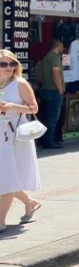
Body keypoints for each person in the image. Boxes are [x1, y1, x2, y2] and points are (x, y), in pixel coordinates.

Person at [0, 50, 43, 233]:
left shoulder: (20, 83)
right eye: (3, 64)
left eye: (12, 64)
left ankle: (1, 221)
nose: (9, 68)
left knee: (7, 176)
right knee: (6, 176)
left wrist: (12, 106)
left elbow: (34, 108)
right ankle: (29, 202)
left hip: (12, 135)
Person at [36, 40, 65, 149]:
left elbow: (40, 76)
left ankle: (43, 139)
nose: (63, 48)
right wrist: (60, 90)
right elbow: (56, 74)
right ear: (57, 46)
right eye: (61, 46)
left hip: (45, 89)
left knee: (45, 116)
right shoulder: (55, 58)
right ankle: (49, 141)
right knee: (53, 117)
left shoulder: (45, 58)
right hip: (53, 91)